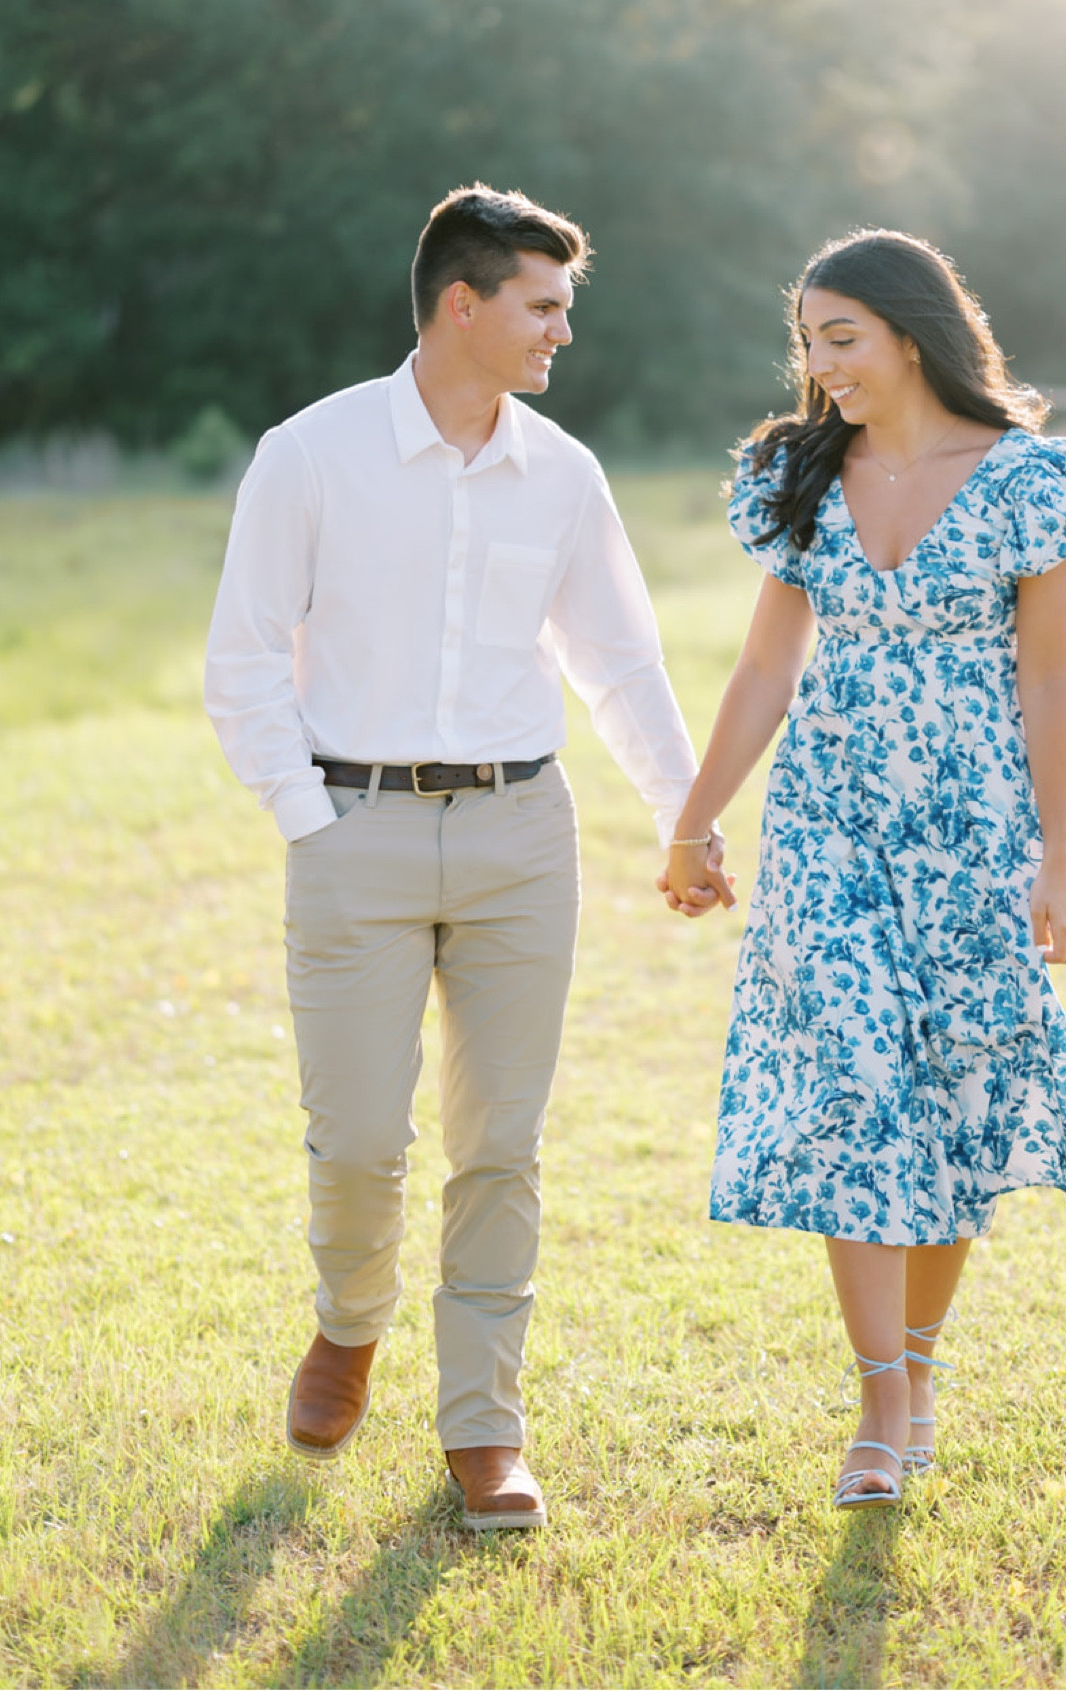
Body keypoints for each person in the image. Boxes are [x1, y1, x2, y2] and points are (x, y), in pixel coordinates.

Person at [204, 184, 698, 1531]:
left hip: (519, 837)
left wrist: (682, 813)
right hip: (350, 829)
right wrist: (313, 819)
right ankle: (347, 1322)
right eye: (542, 306)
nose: (561, 333)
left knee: (502, 1144)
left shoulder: (565, 473)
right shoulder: (308, 454)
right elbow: (240, 661)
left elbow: (619, 663)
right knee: (359, 1139)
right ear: (460, 304)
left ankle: (484, 1424)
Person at [661, 228, 1066, 1510]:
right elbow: (767, 669)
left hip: (973, 832)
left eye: (841, 339)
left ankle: (919, 1364)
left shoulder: (1031, 482)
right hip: (827, 829)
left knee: (950, 1098)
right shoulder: (801, 477)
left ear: (910, 333)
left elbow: (1052, 675)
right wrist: (694, 820)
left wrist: (1059, 857)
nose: (820, 369)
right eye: (807, 343)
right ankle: (880, 1399)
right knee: (854, 1088)